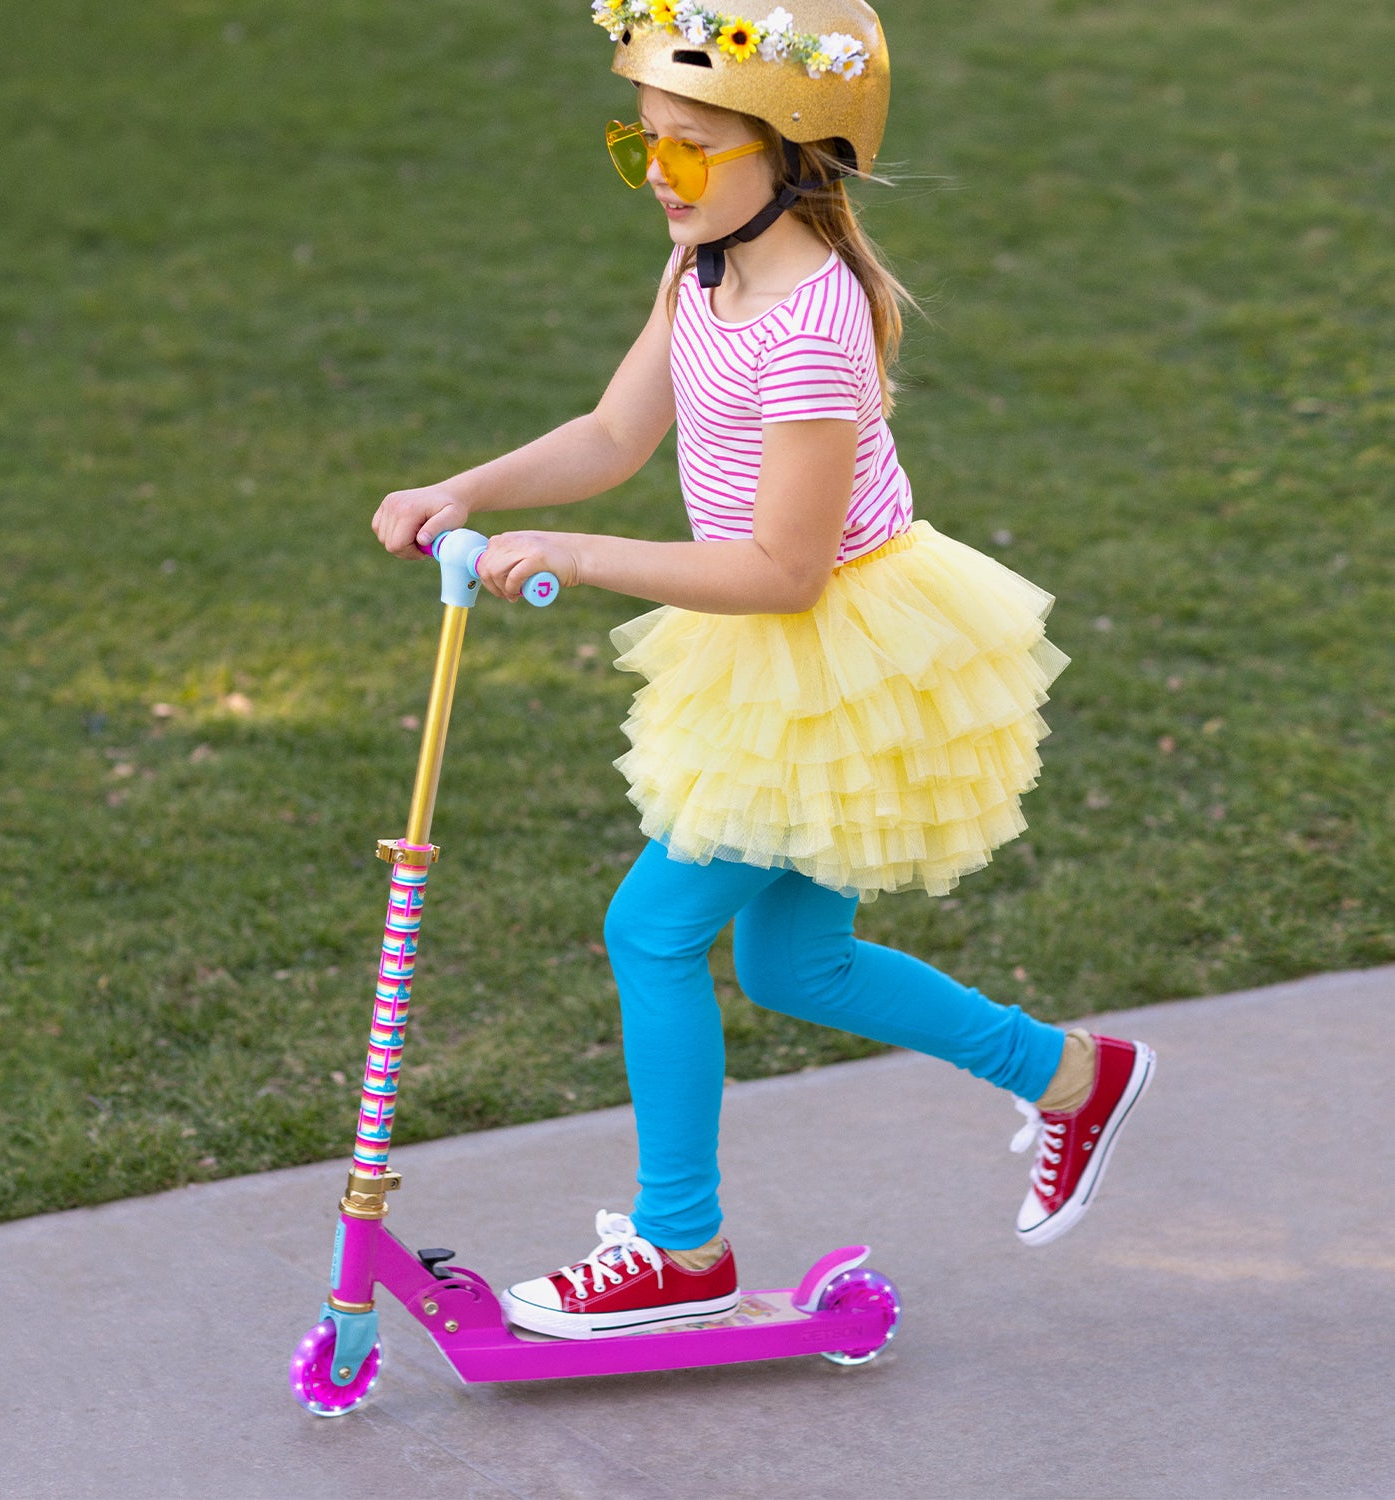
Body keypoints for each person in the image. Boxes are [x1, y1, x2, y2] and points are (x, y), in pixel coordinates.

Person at [372, 0, 1154, 1340]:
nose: (659, 177)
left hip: (835, 656)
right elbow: (619, 429)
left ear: (792, 155)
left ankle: (683, 1248)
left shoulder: (815, 323)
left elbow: (784, 572)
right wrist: (467, 490)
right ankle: (1079, 1078)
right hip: (790, 652)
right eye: (643, 148)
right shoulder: (706, 272)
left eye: (688, 151)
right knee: (797, 963)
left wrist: (579, 555)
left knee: (653, 929)